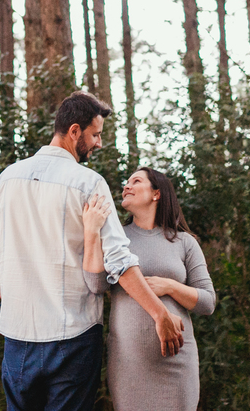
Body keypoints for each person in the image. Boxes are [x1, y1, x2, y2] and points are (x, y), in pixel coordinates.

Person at [0, 91, 184, 411]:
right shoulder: (88, 183)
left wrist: (20, 307)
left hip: (17, 338)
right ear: (74, 131)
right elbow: (119, 260)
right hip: (72, 338)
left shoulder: (5, 180)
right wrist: (160, 314)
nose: (99, 143)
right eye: (96, 134)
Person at [83, 167, 216, 411]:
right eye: (126, 182)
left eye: (136, 181)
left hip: (178, 363)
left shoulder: (184, 242)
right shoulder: (115, 237)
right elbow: (96, 284)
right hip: (129, 363)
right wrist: (92, 233)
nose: (126, 186)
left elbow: (207, 303)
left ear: (156, 194)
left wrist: (170, 286)